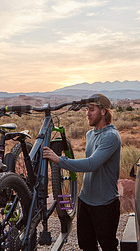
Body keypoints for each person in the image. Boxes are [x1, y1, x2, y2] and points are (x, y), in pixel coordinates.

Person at [43, 93, 121, 251]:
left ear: (103, 111)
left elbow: (92, 164)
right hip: (85, 200)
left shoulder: (111, 137)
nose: (87, 113)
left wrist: (59, 160)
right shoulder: (90, 134)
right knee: (86, 245)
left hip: (105, 204)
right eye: (86, 109)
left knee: (108, 246)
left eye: (91, 109)